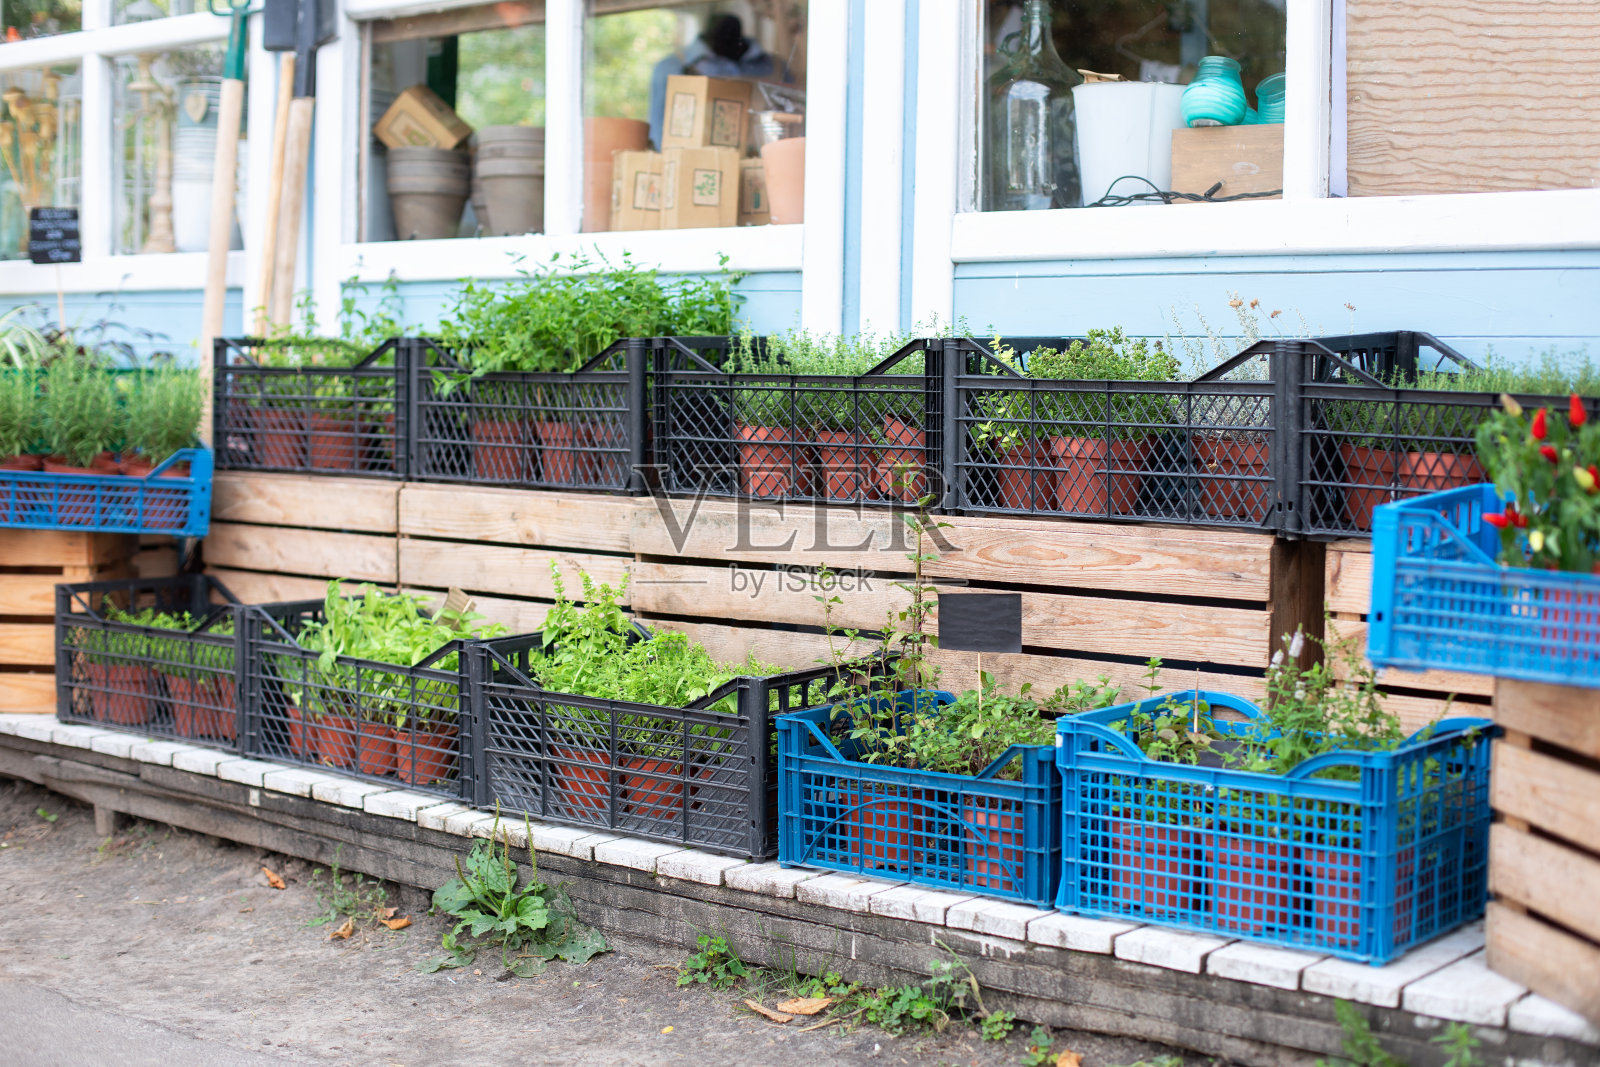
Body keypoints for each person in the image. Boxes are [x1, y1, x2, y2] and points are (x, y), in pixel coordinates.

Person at [648, 14, 775, 148]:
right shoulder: (671, 67)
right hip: (694, 163)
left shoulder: (774, 67)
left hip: (759, 163)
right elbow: (658, 134)